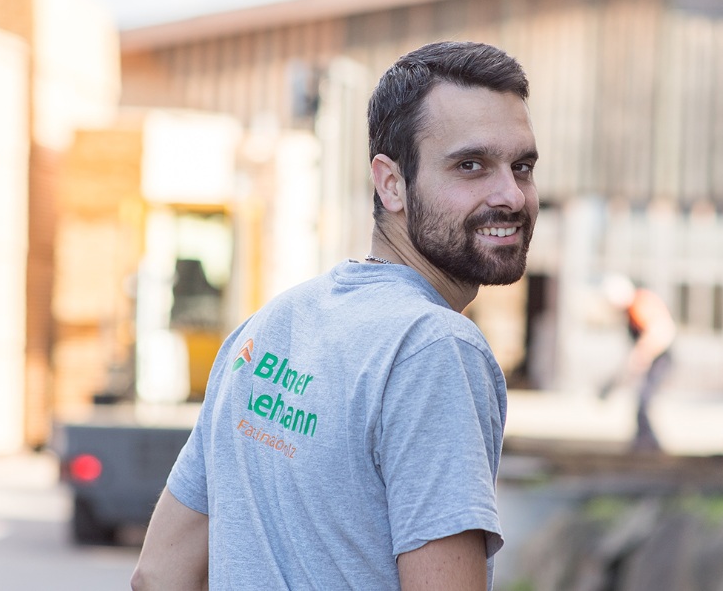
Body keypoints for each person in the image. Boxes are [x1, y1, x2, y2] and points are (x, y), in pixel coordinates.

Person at [131, 41, 538, 591]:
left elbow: (159, 575)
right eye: (471, 165)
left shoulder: (268, 328)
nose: (511, 194)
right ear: (391, 183)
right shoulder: (434, 348)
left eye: (522, 166)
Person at [600, 274, 676, 454]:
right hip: (651, 356)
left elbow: (662, 332)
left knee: (643, 398)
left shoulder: (640, 305)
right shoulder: (631, 310)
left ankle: (648, 441)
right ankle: (643, 439)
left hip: (660, 357)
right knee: (640, 397)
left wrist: (643, 354)